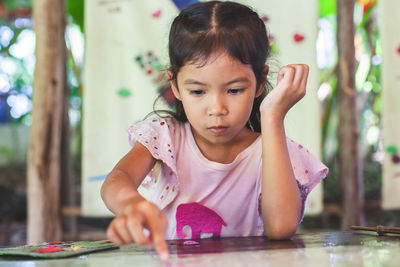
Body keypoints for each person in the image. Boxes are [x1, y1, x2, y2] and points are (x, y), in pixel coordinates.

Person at [101, 1, 328, 261]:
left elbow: (281, 227)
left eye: (234, 90)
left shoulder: (273, 149)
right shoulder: (165, 137)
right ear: (174, 85)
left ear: (260, 82)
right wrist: (133, 205)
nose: (217, 108)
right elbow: (116, 181)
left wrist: (273, 116)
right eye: (198, 91)